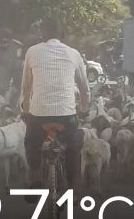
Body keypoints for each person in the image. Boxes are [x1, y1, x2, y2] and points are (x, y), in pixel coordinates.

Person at [19, 18, 90, 199]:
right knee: (73, 146)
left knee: (31, 142)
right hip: (67, 115)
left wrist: (25, 110)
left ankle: (35, 177)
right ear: (62, 35)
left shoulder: (32, 52)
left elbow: (26, 87)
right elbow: (84, 88)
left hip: (39, 114)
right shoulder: (74, 54)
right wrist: (84, 109)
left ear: (42, 34)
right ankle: (72, 189)